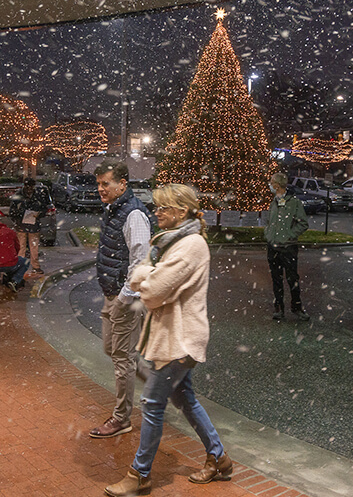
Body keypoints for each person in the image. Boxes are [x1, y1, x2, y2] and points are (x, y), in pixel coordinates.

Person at [104, 184, 232, 497]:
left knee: (152, 404)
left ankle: (140, 475)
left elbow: (152, 290)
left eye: (163, 208)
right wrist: (149, 276)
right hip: (171, 336)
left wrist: (145, 277)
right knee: (184, 398)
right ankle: (219, 458)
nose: (156, 212)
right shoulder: (168, 242)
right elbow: (150, 279)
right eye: (157, 207)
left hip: (181, 340)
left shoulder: (190, 245)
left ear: (182, 211)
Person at [89, 161, 152, 439]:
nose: (101, 189)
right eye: (99, 183)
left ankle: (121, 418)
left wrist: (125, 298)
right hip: (111, 293)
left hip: (124, 298)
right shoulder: (114, 209)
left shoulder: (134, 214)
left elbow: (140, 261)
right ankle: (157, 383)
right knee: (112, 350)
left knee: (122, 360)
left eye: (106, 183)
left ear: (122, 184)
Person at [265, 172, 310, 321]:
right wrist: (269, 235)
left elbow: (303, 223)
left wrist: (289, 234)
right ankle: (279, 308)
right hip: (273, 247)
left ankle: (296, 307)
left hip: (288, 248)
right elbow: (269, 221)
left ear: (277, 185)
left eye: (271, 182)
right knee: (276, 279)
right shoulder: (274, 201)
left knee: (292, 279)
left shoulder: (294, 202)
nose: (270, 184)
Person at [9, 177, 48, 275]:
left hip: (30, 225)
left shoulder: (34, 195)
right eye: (28, 186)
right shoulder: (35, 195)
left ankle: (32, 266)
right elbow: (12, 211)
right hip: (24, 225)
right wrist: (20, 217)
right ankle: (23, 266)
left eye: (31, 186)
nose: (29, 189)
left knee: (30, 247)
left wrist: (38, 214)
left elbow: (44, 208)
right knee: (24, 247)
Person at [0, 220, 30, 292]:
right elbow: (17, 247)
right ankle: (15, 280)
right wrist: (11, 256)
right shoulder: (10, 232)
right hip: (11, 264)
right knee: (26, 261)